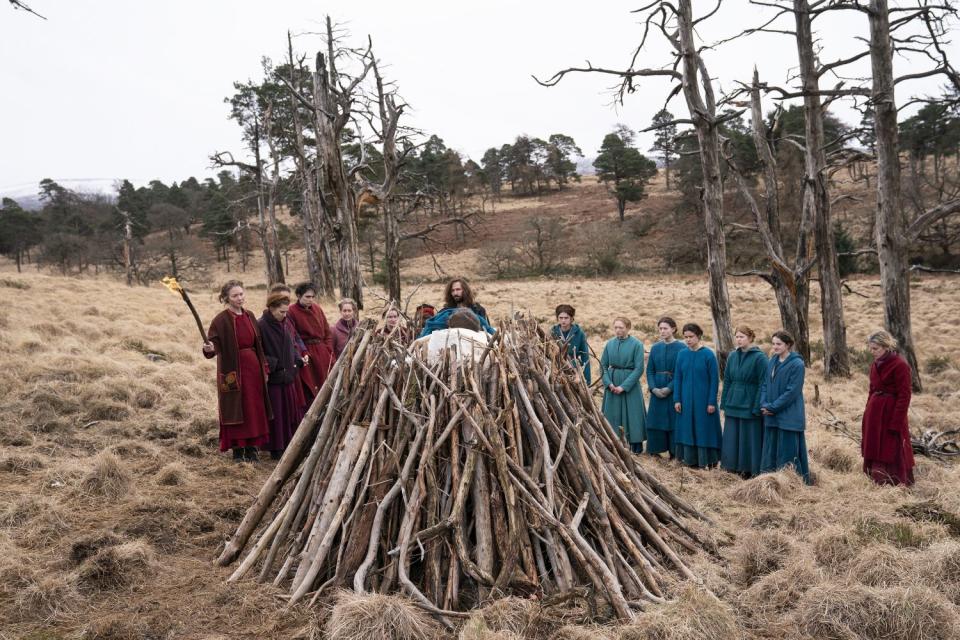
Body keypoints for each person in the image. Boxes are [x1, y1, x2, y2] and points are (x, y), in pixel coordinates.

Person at [202, 280, 271, 463]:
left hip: (253, 369)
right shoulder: (220, 320)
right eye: (235, 295)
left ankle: (252, 448)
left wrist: (263, 366)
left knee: (253, 408)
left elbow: (259, 344)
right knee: (235, 408)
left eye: (241, 294)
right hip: (232, 370)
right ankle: (238, 450)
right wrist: (209, 348)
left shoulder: (249, 315)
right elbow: (213, 344)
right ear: (226, 298)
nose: (239, 298)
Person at [861, 330, 915, 486]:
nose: (872, 352)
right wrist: (867, 412)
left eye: (875, 348)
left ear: (886, 346)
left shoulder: (900, 365)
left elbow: (904, 395)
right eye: (870, 348)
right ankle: (875, 479)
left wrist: (896, 421)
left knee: (891, 445)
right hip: (874, 412)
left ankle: (893, 481)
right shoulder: (875, 364)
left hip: (891, 412)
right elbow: (871, 390)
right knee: (873, 444)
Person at [258, 292, 306, 460]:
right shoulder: (261, 325)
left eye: (286, 311)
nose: (285, 315)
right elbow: (258, 352)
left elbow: (291, 345)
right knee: (277, 416)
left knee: (289, 413)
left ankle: (288, 445)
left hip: (288, 377)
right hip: (274, 379)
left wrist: (297, 359)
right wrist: (275, 364)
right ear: (271, 308)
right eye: (282, 312)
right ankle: (276, 448)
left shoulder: (285, 323)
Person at [759, 330, 811, 484]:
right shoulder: (772, 361)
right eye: (773, 343)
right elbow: (765, 384)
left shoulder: (797, 364)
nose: (775, 347)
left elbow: (792, 392)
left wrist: (773, 407)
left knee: (788, 451)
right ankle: (769, 483)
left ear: (788, 345)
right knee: (771, 450)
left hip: (789, 415)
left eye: (779, 344)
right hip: (771, 414)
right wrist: (764, 404)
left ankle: (790, 483)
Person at [720, 326, 768, 477]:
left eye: (742, 337)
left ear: (750, 338)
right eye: (737, 337)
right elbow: (727, 380)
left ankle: (749, 469)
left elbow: (763, 383)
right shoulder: (732, 356)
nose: (739, 340)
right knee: (732, 436)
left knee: (749, 437)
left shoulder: (760, 358)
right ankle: (731, 467)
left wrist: (757, 406)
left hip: (750, 402)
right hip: (733, 402)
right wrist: (724, 402)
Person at [673, 323, 722, 468]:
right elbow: (678, 378)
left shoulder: (708, 355)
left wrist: (712, 402)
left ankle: (707, 461)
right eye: (685, 337)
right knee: (687, 428)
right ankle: (690, 460)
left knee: (703, 428)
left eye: (691, 337)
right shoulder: (682, 354)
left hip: (704, 400)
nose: (688, 340)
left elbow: (714, 380)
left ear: (699, 336)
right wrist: (677, 399)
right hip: (686, 399)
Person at [600, 317, 647, 453]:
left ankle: (635, 446)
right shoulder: (610, 344)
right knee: (612, 414)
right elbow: (603, 365)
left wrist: (624, 387)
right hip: (612, 383)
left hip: (629, 384)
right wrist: (608, 383)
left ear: (628, 328)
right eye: (616, 327)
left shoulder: (637, 344)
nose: (618, 330)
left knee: (632, 413)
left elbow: (639, 369)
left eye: (621, 327)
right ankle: (613, 444)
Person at [646, 317, 686, 458]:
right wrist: (653, 388)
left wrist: (669, 388)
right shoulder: (655, 347)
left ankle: (674, 452)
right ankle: (654, 450)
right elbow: (650, 370)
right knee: (655, 419)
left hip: (672, 390)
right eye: (660, 328)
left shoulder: (682, 348)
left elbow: (681, 372)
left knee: (672, 420)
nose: (662, 331)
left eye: (665, 328)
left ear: (673, 329)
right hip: (656, 388)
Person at [286, 282, 334, 400]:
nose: (310, 300)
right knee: (310, 387)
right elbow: (293, 336)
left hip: (322, 351)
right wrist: (302, 353)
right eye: (307, 297)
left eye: (312, 297)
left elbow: (327, 332)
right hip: (306, 352)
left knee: (326, 384)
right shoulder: (291, 311)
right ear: (298, 296)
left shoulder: (317, 308)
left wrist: (328, 350)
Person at [419, 280, 495, 338]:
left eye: (458, 289)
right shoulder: (445, 311)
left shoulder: (478, 309)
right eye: (453, 290)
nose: (455, 293)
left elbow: (486, 329)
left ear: (465, 290)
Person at [551, 304, 591, 384]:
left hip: (574, 370)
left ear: (572, 318)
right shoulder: (553, 332)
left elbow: (585, 357)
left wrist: (587, 380)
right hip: (557, 369)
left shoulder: (579, 333)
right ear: (557, 318)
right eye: (561, 318)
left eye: (566, 318)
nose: (563, 320)